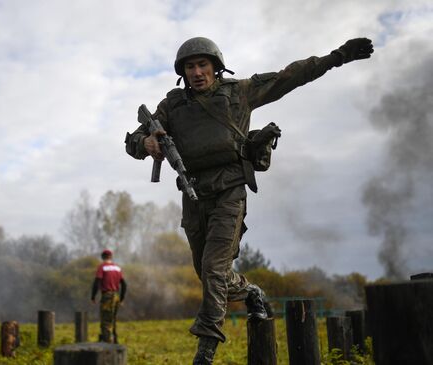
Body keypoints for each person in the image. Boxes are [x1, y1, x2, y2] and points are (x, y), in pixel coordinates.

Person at [124, 36, 373, 364]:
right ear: (182, 72)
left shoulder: (239, 93)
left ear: (216, 66)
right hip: (194, 194)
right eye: (190, 66)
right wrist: (148, 144)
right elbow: (133, 140)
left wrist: (337, 56)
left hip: (231, 189)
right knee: (208, 272)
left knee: (213, 267)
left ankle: (206, 351)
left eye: (203, 65)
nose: (197, 72)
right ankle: (250, 291)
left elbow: (290, 76)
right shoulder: (172, 106)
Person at [91, 249, 127, 343]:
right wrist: (122, 298)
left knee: (106, 322)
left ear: (102, 257)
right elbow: (124, 284)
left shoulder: (102, 267)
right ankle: (115, 343)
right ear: (111, 257)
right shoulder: (118, 268)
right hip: (116, 296)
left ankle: (107, 348)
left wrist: (93, 296)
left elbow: (97, 282)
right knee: (113, 320)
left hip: (107, 296)